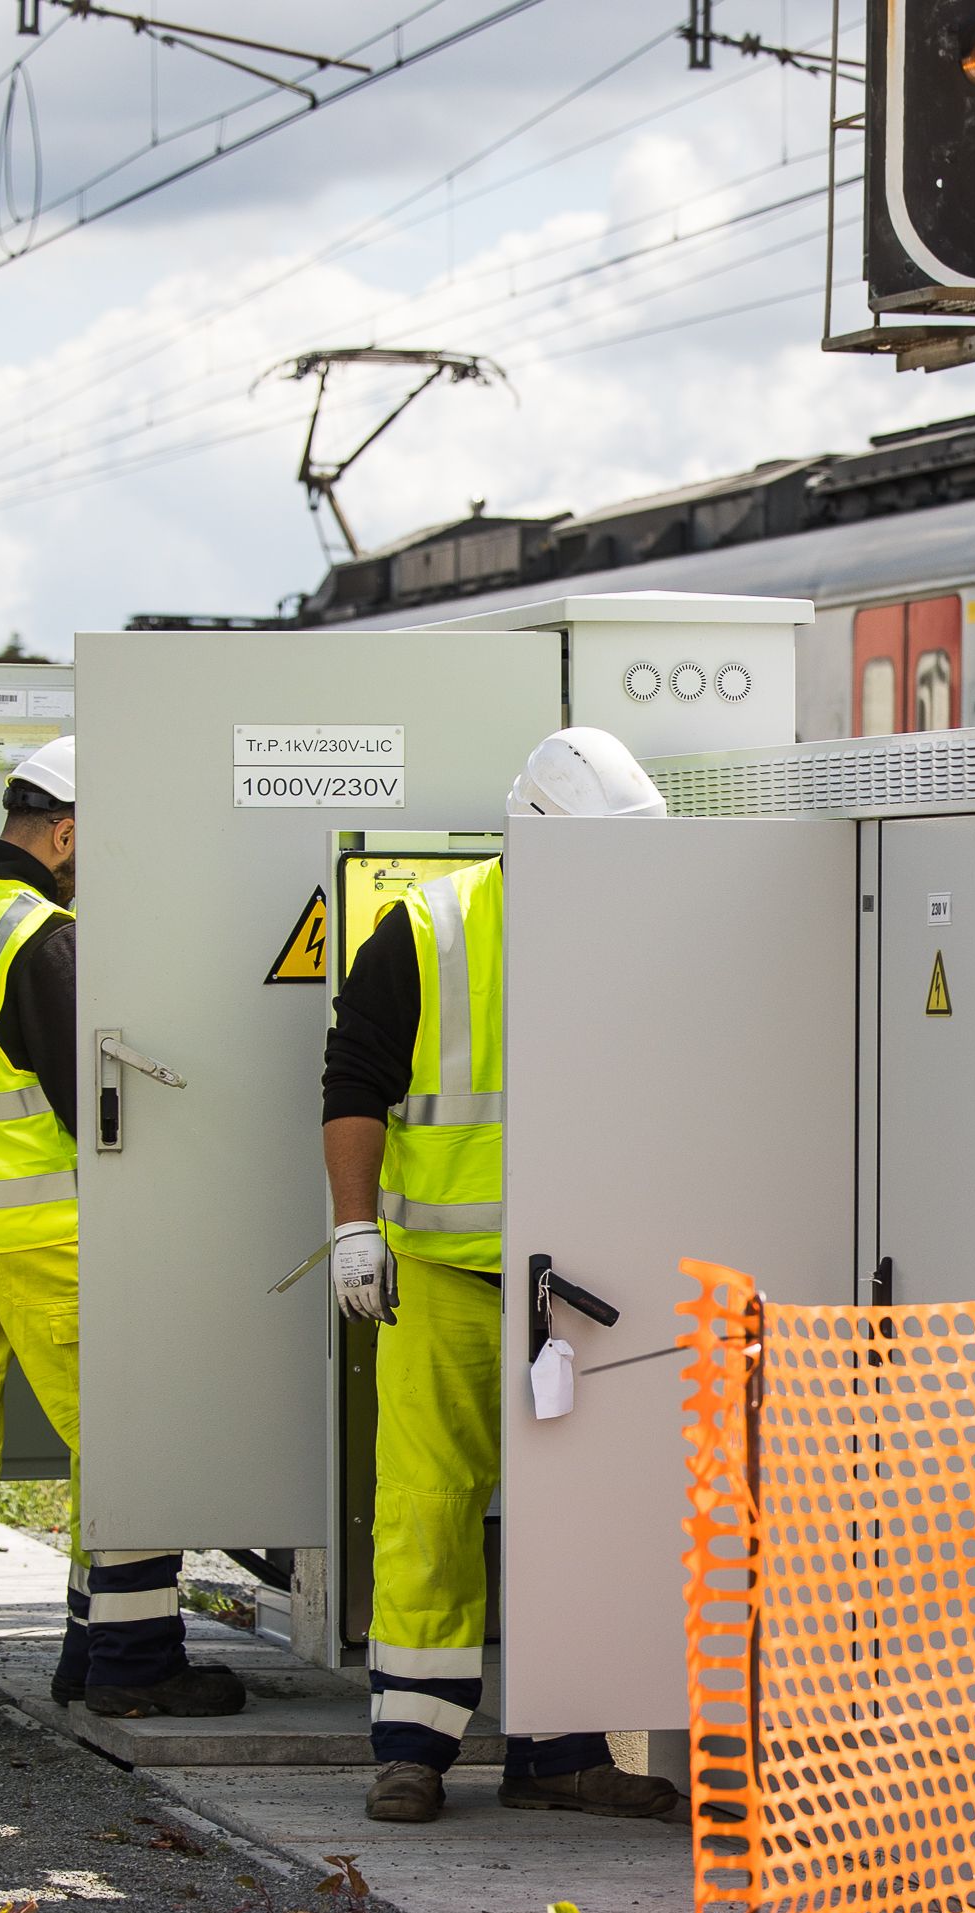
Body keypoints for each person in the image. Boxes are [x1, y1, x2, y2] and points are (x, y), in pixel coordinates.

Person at [322, 727, 690, 1827]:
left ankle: (561, 1751)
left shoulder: (654, 928)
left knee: (573, 1511)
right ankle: (412, 1750)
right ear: (530, 835)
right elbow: (354, 1082)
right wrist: (354, 1227)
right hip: (448, 1273)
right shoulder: (427, 928)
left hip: (587, 1281)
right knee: (428, 1507)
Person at [0, 734, 249, 1739]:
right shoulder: (37, 934)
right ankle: (131, 1661)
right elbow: (93, 1103)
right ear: (63, 832)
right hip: (39, 1235)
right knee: (124, 1434)